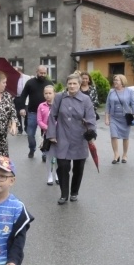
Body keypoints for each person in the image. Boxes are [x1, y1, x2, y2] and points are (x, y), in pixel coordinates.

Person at [46, 73, 97, 205]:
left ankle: (74, 192)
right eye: (70, 83)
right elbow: (52, 116)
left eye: (75, 83)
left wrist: (91, 135)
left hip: (80, 138)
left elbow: (91, 119)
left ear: (80, 85)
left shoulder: (85, 100)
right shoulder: (59, 97)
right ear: (66, 85)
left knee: (78, 168)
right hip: (62, 136)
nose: (72, 86)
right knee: (63, 166)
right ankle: (64, 194)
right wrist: (51, 134)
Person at [16, 65, 54, 159]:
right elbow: (23, 95)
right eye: (41, 73)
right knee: (30, 134)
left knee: (46, 134)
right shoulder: (30, 83)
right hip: (32, 112)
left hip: (46, 113)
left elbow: (54, 96)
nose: (43, 75)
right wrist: (22, 108)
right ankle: (32, 148)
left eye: (44, 73)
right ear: (37, 72)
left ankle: (44, 153)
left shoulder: (49, 83)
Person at [104, 74, 134, 164]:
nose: (115, 82)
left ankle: (124, 154)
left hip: (125, 118)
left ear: (122, 82)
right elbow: (107, 105)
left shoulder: (129, 91)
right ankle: (116, 155)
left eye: (117, 80)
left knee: (125, 137)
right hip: (114, 117)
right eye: (114, 80)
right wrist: (107, 118)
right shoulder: (111, 91)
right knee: (113, 135)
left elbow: (133, 104)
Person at [36, 84, 59, 185]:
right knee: (49, 156)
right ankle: (49, 175)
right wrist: (47, 128)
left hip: (58, 133)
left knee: (58, 156)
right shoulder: (41, 106)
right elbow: (39, 120)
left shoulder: (58, 105)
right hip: (47, 134)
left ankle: (58, 175)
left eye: (50, 93)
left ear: (54, 94)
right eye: (46, 93)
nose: (48, 95)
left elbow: (61, 119)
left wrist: (56, 128)